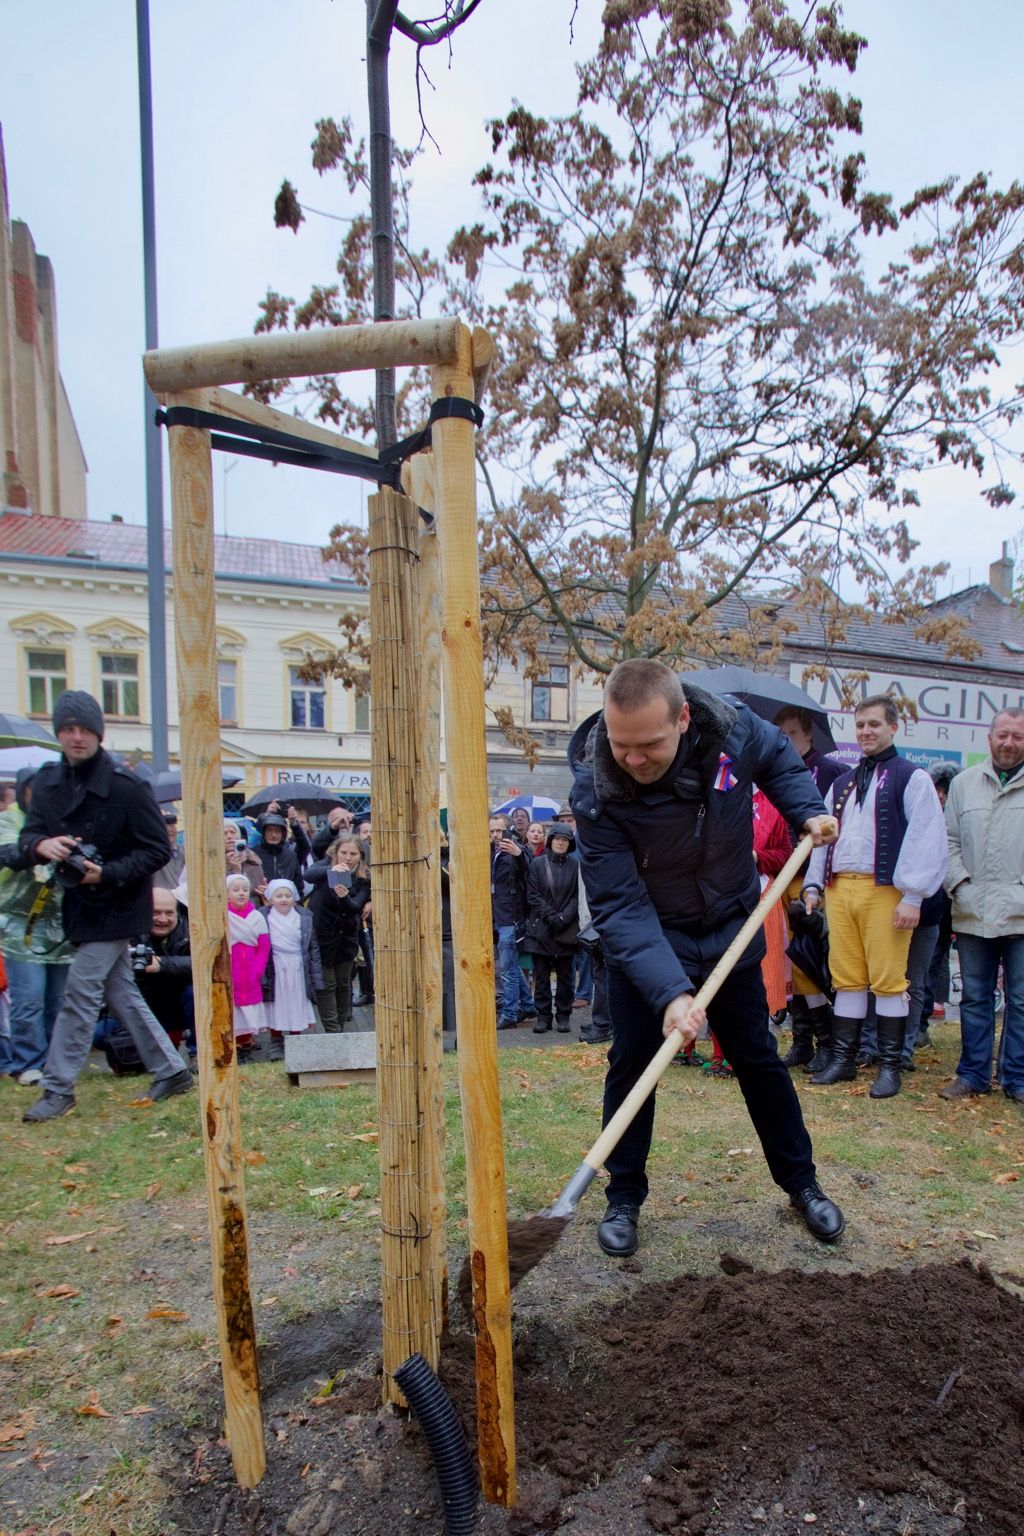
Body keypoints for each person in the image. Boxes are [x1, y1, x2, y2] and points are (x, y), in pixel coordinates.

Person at [570, 659, 842, 1257]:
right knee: (634, 1065)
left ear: (684, 717)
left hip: (731, 926)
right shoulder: (595, 787)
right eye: (622, 746)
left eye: (648, 745)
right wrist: (671, 991)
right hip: (651, 938)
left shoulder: (733, 730)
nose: (633, 761)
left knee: (757, 1060)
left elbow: (776, 759)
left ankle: (802, 1184)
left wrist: (805, 808)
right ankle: (624, 1195)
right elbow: (618, 903)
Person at [18, 691, 193, 1120]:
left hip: (120, 903)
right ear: (59, 732)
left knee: (80, 992)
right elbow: (27, 839)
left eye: (84, 729)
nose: (76, 738)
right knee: (119, 989)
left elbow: (156, 850)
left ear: (99, 733)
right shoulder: (47, 784)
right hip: (78, 904)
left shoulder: (126, 786)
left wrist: (107, 872)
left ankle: (58, 1088)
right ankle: (171, 1069)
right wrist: (44, 845)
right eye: (68, 729)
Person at [803, 695, 948, 1099]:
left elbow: (926, 837)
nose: (866, 731)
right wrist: (814, 884)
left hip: (885, 889)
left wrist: (913, 896)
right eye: (861, 725)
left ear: (893, 728)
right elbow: (822, 836)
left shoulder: (912, 777)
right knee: (847, 977)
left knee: (887, 980)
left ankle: (889, 1066)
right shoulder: (842, 782)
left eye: (874, 725)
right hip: (839, 888)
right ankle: (844, 1059)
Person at [939, 708, 1024, 1105]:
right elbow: (948, 840)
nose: (1009, 743)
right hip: (973, 909)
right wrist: (959, 883)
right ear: (989, 738)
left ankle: (1016, 1078)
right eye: (1003, 735)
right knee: (975, 996)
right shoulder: (963, 784)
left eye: (1018, 737)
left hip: (1020, 911)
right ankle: (972, 1074)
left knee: (1021, 1000)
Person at [774, 708, 844, 1072]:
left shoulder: (831, 772)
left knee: (815, 961)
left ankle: (830, 1043)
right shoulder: (775, 770)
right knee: (794, 961)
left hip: (813, 879)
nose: (785, 738)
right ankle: (803, 1040)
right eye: (780, 732)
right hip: (784, 875)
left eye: (791, 732)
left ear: (808, 734)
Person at [0, 767, 73, 1086]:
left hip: (58, 925)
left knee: (58, 998)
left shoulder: (63, 820)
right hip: (20, 924)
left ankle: (52, 1061)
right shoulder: (9, 820)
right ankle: (28, 1061)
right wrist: (38, 848)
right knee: (29, 995)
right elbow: (9, 853)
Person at [305, 837, 371, 1032]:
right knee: (326, 984)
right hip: (323, 936)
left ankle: (341, 1027)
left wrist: (344, 897)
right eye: (344, 853)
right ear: (335, 852)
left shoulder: (363, 877)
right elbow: (308, 875)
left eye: (353, 854)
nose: (348, 858)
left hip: (346, 938)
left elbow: (354, 907)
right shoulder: (326, 866)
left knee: (343, 983)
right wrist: (330, 872)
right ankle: (332, 1030)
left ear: (360, 857)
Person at [522, 824, 580, 1034]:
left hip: (566, 929)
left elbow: (577, 895)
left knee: (566, 977)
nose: (560, 842)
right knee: (542, 976)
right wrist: (551, 916)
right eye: (557, 839)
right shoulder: (537, 864)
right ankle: (543, 1016)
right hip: (541, 928)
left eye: (565, 839)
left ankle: (563, 1015)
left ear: (569, 843)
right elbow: (533, 895)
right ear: (551, 841)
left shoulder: (576, 866)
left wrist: (564, 917)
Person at [262, 879, 322, 1059]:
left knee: (296, 1001)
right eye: (278, 895)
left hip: (297, 965)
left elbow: (313, 947)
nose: (283, 899)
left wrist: (316, 975)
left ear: (294, 897)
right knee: (275, 1003)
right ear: (270, 898)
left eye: (287, 895)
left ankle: (296, 1039)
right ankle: (275, 1041)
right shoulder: (263, 916)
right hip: (275, 966)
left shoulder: (304, 917)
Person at [489, 812, 535, 1029]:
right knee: (511, 965)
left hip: (511, 917)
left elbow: (533, 874)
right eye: (492, 831)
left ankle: (509, 1013)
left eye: (499, 830)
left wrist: (519, 854)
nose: (495, 835)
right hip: (497, 916)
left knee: (507, 969)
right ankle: (527, 1005)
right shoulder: (491, 852)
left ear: (508, 830)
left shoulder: (519, 851)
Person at [134, 888, 194, 1050]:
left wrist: (162, 964)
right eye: (156, 912)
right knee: (100, 1034)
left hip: (181, 1000)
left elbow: (202, 964)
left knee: (194, 993)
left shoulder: (190, 930)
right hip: (145, 1001)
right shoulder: (131, 932)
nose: (162, 919)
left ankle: (197, 1051)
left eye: (169, 913)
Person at [227, 874, 270, 1061]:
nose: (241, 894)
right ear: (227, 893)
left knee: (249, 1008)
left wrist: (258, 969)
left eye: (244, 890)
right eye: (235, 890)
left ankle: (246, 1044)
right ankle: (234, 1044)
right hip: (232, 968)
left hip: (251, 970)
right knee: (233, 1008)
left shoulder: (256, 916)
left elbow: (264, 945)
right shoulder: (224, 916)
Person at [253, 810, 309, 889]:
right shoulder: (253, 854)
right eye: (269, 830)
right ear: (264, 833)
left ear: (283, 834)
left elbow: (298, 885)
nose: (273, 835)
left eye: (277, 831)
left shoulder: (291, 856)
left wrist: (294, 824)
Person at [223, 818, 265, 892]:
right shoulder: (212, 862)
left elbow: (255, 890)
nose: (229, 836)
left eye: (232, 832)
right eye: (224, 833)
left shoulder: (252, 861)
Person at [153, 810, 186, 892]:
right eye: (164, 825)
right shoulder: (151, 854)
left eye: (172, 825)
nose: (169, 829)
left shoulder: (186, 853)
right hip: (162, 901)